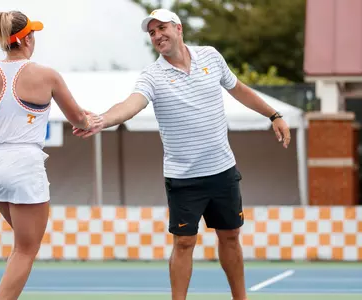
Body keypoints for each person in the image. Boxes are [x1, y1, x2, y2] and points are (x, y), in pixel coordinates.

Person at [73, 8, 291, 300]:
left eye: (161, 28)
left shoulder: (211, 57)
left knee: (230, 236)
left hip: (223, 170)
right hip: (183, 178)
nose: (157, 35)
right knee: (184, 242)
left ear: (178, 29)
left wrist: (273, 114)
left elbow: (238, 89)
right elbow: (131, 104)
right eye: (152, 33)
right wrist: (101, 119)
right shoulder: (152, 75)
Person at [0, 10, 103, 300]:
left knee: (21, 245)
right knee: (27, 249)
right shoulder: (46, 75)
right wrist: (89, 122)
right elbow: (76, 118)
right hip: (23, 165)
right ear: (27, 39)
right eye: (33, 34)